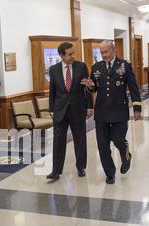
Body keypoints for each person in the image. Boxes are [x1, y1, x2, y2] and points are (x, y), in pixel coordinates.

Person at [82, 40, 142, 185]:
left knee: (118, 140)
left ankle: (126, 156)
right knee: (102, 145)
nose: (104, 55)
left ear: (114, 50)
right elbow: (93, 88)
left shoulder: (124, 65)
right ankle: (110, 173)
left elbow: (133, 87)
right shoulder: (96, 67)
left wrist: (137, 107)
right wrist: (90, 86)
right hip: (102, 112)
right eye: (101, 52)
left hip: (119, 111)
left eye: (106, 51)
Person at [47, 42, 93, 181]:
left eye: (73, 53)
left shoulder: (81, 66)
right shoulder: (53, 70)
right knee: (58, 141)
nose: (73, 56)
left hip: (77, 109)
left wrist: (89, 106)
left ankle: (81, 167)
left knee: (80, 139)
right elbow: (52, 91)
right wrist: (51, 109)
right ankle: (56, 171)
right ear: (61, 55)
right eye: (69, 54)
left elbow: (87, 88)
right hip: (60, 110)